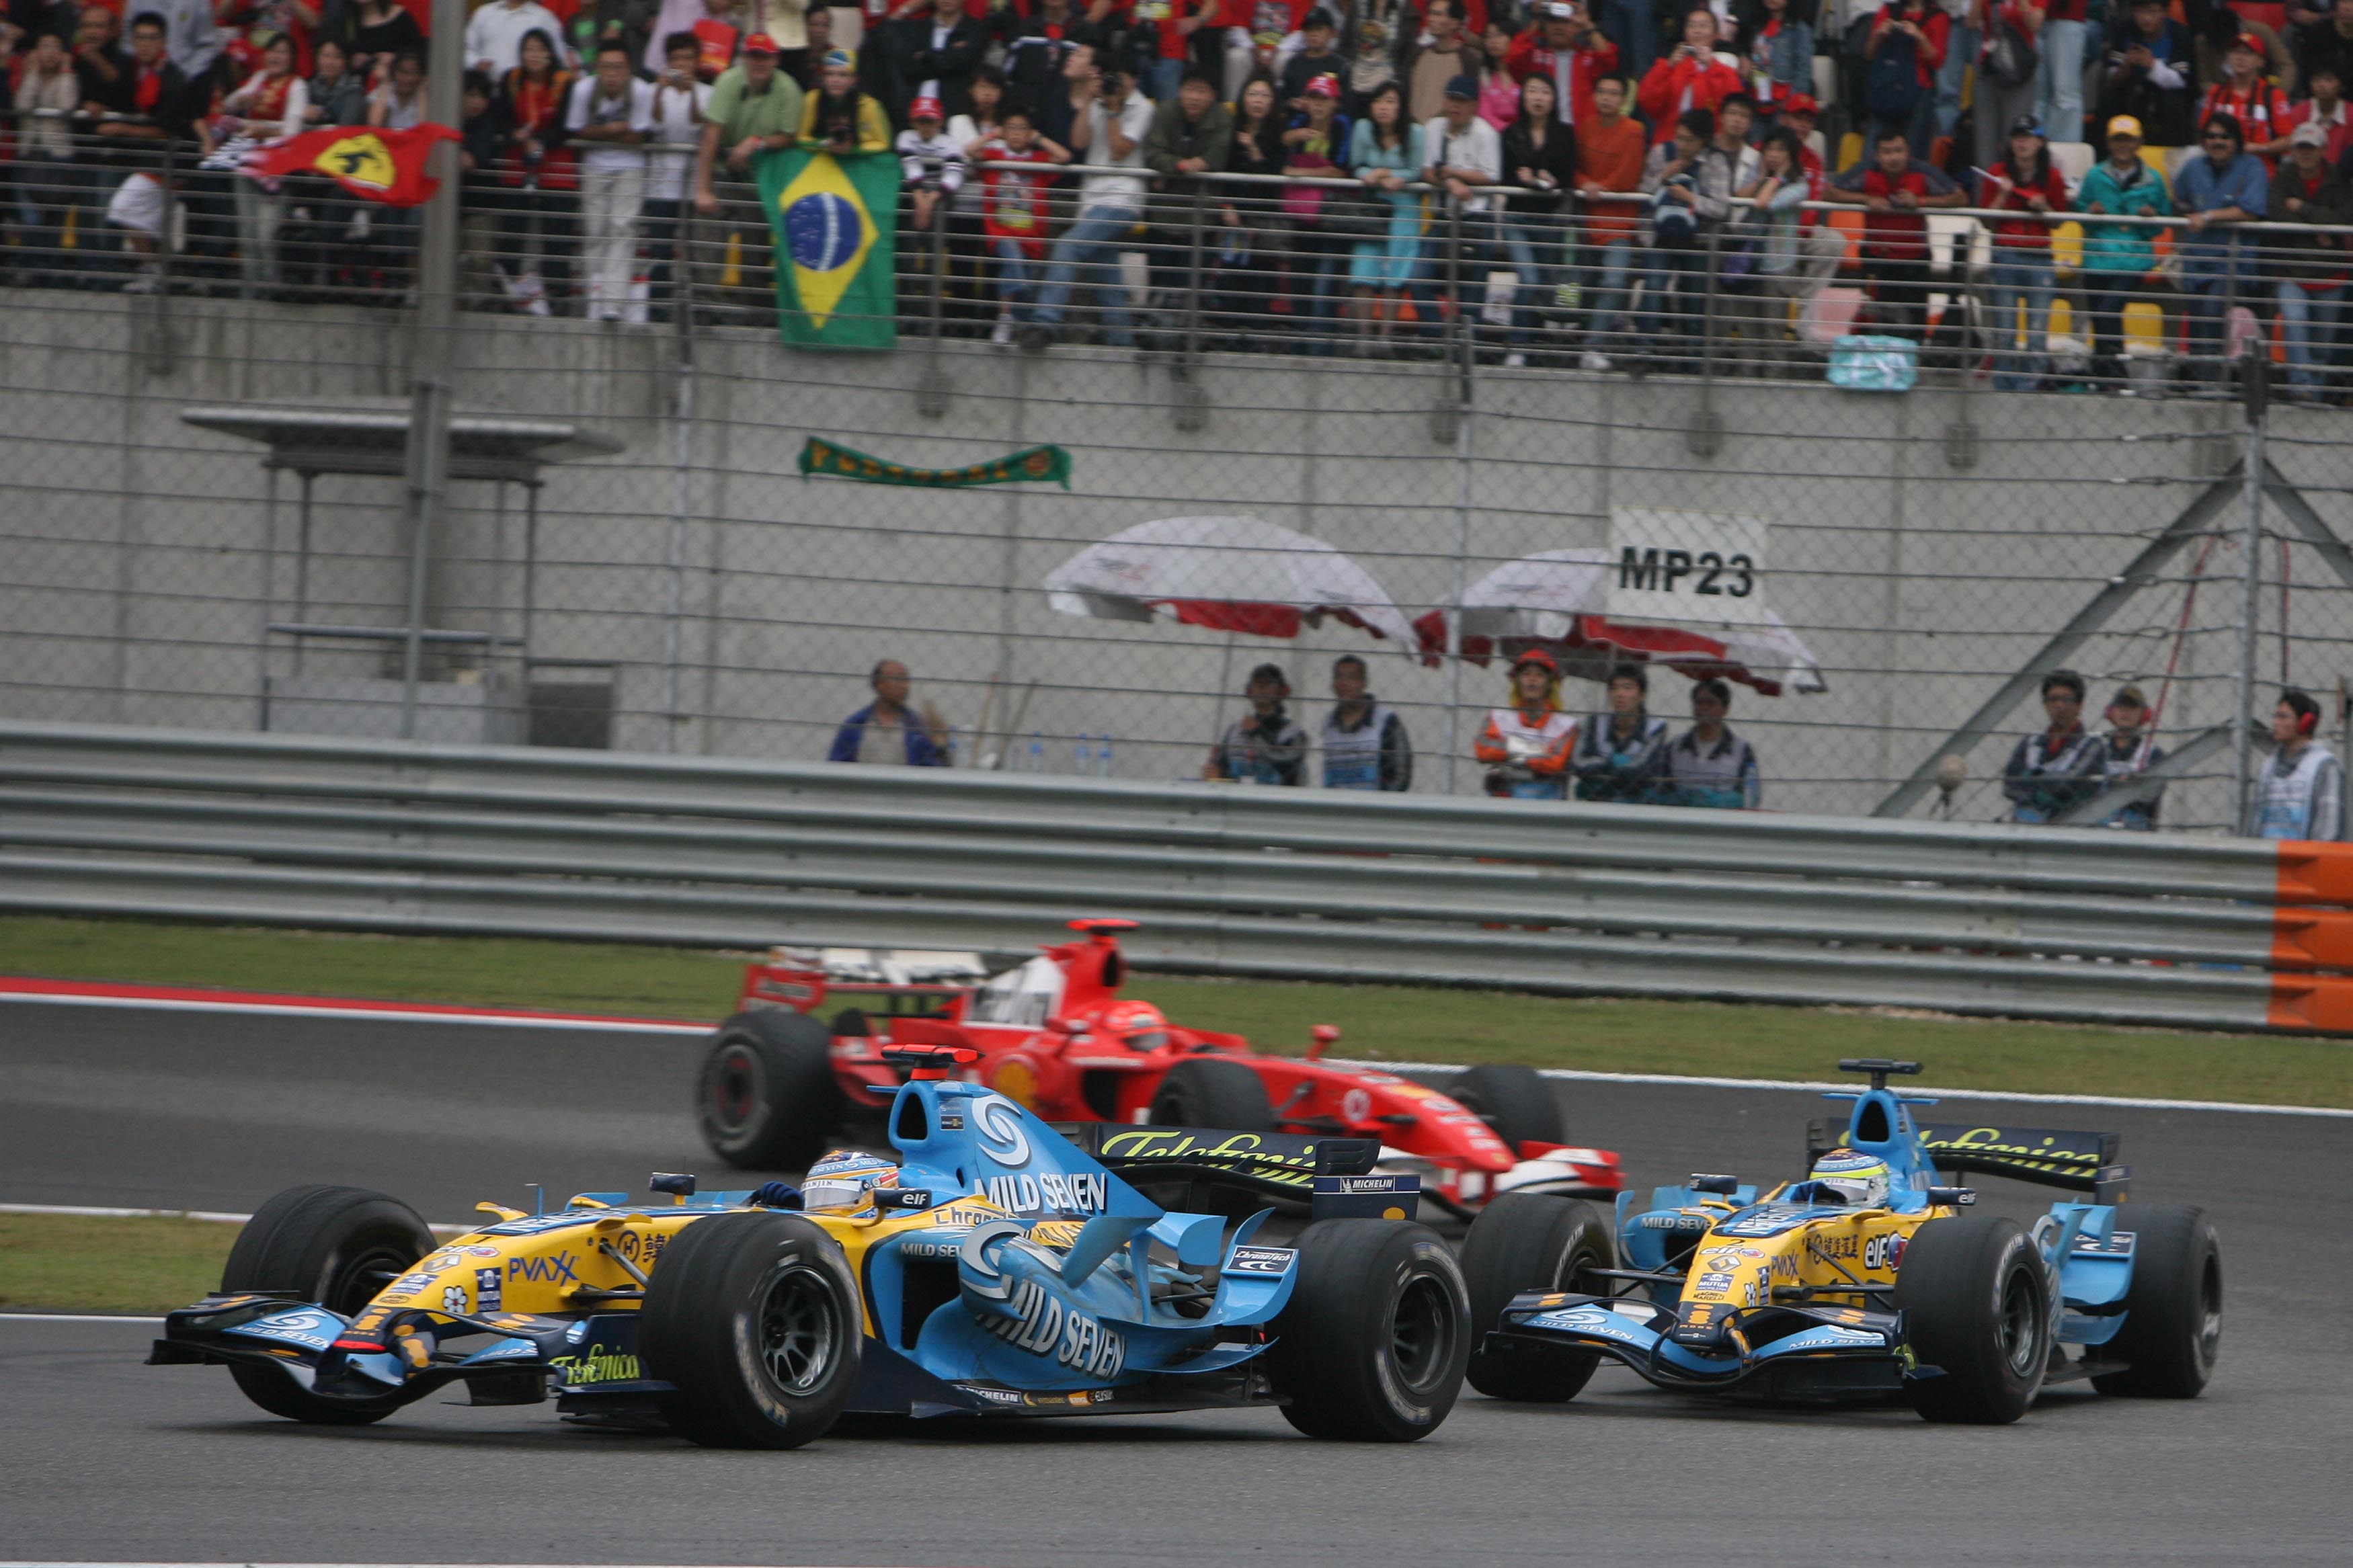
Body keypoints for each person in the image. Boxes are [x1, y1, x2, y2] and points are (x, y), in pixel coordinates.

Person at [1021, 57, 1154, 349]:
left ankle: (1045, 322)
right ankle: (1122, 342)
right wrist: (1090, 102)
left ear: (1133, 79)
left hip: (1122, 198)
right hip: (1092, 201)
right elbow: (1078, 142)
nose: (1114, 85)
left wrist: (1114, 110)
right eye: (1110, 78)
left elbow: (1119, 150)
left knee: (1068, 246)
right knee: (1105, 276)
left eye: (1120, 79)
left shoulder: (1142, 107)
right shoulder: (1099, 103)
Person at [692, 33, 801, 319]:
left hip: (761, 177)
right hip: (723, 169)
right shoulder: (728, 82)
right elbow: (711, 135)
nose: (760, 63)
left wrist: (757, 142)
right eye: (754, 56)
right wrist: (703, 189)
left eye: (765, 57)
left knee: (756, 245)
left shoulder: (788, 89)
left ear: (776, 60)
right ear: (743, 58)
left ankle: (755, 311)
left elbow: (789, 137)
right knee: (708, 226)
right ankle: (706, 302)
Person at [1823, 125, 1964, 341]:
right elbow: (1829, 191)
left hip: (1915, 260)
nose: (1893, 158)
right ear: (1877, 155)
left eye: (1898, 151)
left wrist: (1921, 202)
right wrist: (1865, 199)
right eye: (1887, 152)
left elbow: (1960, 198)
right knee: (1879, 321)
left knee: (1916, 324)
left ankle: (1912, 368)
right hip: (1878, 259)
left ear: (1908, 152)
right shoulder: (1866, 171)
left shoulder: (1923, 172)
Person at [2077, 114, 2173, 388]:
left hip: (2133, 258)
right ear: (2109, 143)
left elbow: (2163, 221)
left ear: (2138, 143)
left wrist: (2150, 218)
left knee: (2108, 310)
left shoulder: (2153, 180)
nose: (2123, 146)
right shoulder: (2095, 175)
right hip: (2097, 257)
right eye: (2118, 140)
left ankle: (2116, 375)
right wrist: (2089, 211)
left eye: (2128, 140)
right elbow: (2081, 207)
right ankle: (2103, 374)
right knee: (2100, 317)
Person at [2174, 112, 2269, 386]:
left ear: (2236, 140)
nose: (2217, 142)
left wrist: (2209, 216)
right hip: (2196, 261)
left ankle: (2214, 386)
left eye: (2225, 137)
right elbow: (2179, 200)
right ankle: (2200, 384)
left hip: (2232, 262)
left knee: (2214, 315)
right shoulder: (2193, 167)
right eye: (2211, 136)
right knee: (2195, 322)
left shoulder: (2252, 167)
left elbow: (2252, 211)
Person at [1978, 115, 2069, 390]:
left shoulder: (2052, 175)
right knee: (2005, 332)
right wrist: (2001, 196)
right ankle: (2004, 389)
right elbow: (1985, 221)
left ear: (2040, 142)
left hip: (2039, 257)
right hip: (2005, 254)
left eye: (2028, 137)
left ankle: (2030, 391)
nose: (2022, 143)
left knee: (2037, 333)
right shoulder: (1996, 171)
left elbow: (2059, 221)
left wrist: (2044, 208)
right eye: (2017, 137)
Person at [1635, 108, 1731, 367]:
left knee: (1694, 299)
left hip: (1697, 242)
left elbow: (1721, 207)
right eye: (1679, 137)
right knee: (1653, 289)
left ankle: (1694, 360)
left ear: (1704, 140)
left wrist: (1691, 199)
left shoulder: (1716, 161)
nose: (1682, 145)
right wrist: (1663, 176)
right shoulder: (1660, 153)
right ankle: (1645, 351)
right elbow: (1643, 194)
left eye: (1689, 140)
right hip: (1661, 238)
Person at [567, 40, 653, 323]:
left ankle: (613, 300)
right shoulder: (583, 90)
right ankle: (595, 293)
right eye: (606, 67)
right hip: (594, 165)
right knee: (594, 229)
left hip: (631, 165)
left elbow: (638, 135)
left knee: (622, 228)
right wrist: (615, 128)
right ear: (597, 68)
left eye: (618, 68)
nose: (612, 74)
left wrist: (599, 133)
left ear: (628, 69)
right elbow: (576, 131)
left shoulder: (641, 90)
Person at [1739, 124, 1839, 364]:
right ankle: (1747, 380)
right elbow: (1740, 195)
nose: (1773, 155)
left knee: (1774, 333)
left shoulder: (1799, 186)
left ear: (1790, 156)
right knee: (1748, 334)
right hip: (1749, 265)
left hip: (1778, 268)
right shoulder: (1758, 178)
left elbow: (1765, 204)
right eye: (1769, 149)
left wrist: (1778, 177)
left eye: (1780, 150)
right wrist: (1765, 178)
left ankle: (1775, 381)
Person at [2269, 118, 2353, 402]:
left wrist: (2303, 208)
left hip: (2331, 274)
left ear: (2323, 150)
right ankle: (2303, 389)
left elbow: (2343, 219)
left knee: (2323, 344)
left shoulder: (2339, 181)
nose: (2305, 153)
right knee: (2294, 323)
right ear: (2293, 150)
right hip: (2292, 269)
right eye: (2300, 147)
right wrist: (2318, 227)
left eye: (2311, 148)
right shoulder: (2283, 177)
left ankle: (2315, 395)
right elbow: (2277, 213)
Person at [493, 31, 577, 315]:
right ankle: (508, 299)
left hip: (556, 168)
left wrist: (541, 141)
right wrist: (514, 134)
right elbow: (501, 117)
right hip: (518, 165)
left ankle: (557, 299)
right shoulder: (511, 79)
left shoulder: (563, 82)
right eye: (529, 49)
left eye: (540, 49)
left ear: (550, 53)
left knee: (557, 236)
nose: (534, 55)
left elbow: (567, 125)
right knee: (511, 235)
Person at [1498, 73, 1577, 366]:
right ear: (1523, 96)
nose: (1538, 98)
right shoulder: (1510, 133)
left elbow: (1568, 176)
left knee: (1545, 283)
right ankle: (1518, 346)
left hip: (1551, 218)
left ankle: (1537, 343)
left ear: (1554, 98)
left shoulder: (1565, 134)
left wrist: (1548, 179)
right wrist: (1524, 179)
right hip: (1517, 217)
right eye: (1532, 91)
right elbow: (1503, 176)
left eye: (1545, 92)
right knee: (1529, 279)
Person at [224, 32, 309, 296]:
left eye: (283, 52)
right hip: (248, 164)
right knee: (247, 235)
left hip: (277, 171)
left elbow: (292, 131)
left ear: (292, 59)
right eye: (273, 51)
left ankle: (273, 291)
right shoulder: (259, 79)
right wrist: (240, 101)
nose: (276, 57)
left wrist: (262, 129)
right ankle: (251, 294)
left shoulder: (297, 86)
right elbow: (228, 105)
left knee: (267, 236)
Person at [1141, 65, 1232, 309]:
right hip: (1164, 217)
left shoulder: (1222, 117)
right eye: (1190, 90)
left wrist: (1170, 172)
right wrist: (1182, 166)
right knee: (1159, 288)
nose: (1194, 97)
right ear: (1180, 91)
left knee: (1192, 293)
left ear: (1212, 95)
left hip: (1201, 220)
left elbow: (1216, 158)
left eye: (1201, 91)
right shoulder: (1166, 111)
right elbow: (1153, 154)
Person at [977, 104, 1069, 342]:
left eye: (1023, 129)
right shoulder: (995, 156)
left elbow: (1064, 157)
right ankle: (1005, 319)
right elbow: (969, 151)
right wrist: (992, 135)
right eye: (1012, 128)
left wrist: (1039, 138)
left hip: (1032, 237)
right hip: (1001, 231)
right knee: (1014, 263)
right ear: (1003, 131)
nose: (1017, 133)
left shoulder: (1038, 159)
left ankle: (1015, 326)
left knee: (1025, 286)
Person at [1345, 77, 1423, 349]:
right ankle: (1363, 339)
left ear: (1401, 107)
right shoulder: (1363, 128)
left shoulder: (1415, 133)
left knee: (1395, 276)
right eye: (1379, 101)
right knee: (1363, 272)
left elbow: (1416, 171)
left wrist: (1391, 174)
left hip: (1403, 210)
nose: (1383, 107)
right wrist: (1371, 175)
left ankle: (1385, 339)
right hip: (1371, 210)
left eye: (1390, 102)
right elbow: (1356, 165)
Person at [1574, 71, 1644, 369]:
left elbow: (1628, 176)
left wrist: (1598, 187)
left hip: (1619, 224)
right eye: (1602, 91)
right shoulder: (1586, 126)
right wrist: (1585, 183)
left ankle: (1593, 346)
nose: (1607, 98)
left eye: (1614, 93)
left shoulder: (1634, 130)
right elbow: (1574, 166)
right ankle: (1576, 338)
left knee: (1615, 283)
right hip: (1586, 221)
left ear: (1624, 100)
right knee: (1583, 285)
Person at [642, 32, 711, 323]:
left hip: (693, 183)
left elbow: (699, 124)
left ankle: (696, 306)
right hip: (661, 183)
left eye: (687, 58)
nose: (682, 64)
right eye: (676, 59)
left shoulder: (708, 92)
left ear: (697, 62)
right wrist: (658, 92)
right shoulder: (654, 91)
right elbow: (653, 124)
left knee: (696, 250)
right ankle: (658, 307)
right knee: (660, 247)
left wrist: (693, 92)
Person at [1281, 71, 1353, 343]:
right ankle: (1302, 341)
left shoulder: (1341, 124)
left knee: (1326, 285)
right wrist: (1294, 137)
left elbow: (1340, 169)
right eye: (1313, 98)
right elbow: (1284, 159)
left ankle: (1321, 347)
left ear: (1335, 101)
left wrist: (1302, 174)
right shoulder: (1299, 123)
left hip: (1332, 218)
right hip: (1303, 220)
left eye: (1324, 99)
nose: (1319, 105)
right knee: (1300, 280)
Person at [13, 30, 83, 285]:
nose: (50, 53)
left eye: (56, 47)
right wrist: (32, 73)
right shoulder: (28, 77)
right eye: (45, 46)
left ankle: (50, 273)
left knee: (55, 219)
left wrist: (65, 72)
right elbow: (21, 105)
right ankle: (26, 268)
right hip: (29, 155)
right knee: (31, 218)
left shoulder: (69, 78)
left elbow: (66, 106)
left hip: (58, 157)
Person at [2001, 668, 2104, 822]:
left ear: (2079, 705)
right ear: (2045, 703)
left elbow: (2068, 786)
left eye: (2066, 699)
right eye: (2053, 699)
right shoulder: (2030, 742)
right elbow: (2009, 785)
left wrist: (2031, 778)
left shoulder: (2092, 745)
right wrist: (2047, 787)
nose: (2059, 705)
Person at [1474, 649, 1578, 799]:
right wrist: (1539, 751)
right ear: (1517, 681)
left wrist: (1507, 751)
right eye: (1526, 674)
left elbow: (1555, 762)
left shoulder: (1566, 725)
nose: (1532, 680)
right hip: (1505, 794)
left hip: (1547, 796)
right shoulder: (1499, 717)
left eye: (1539, 675)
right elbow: (1483, 749)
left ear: (1550, 683)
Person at [2245, 687, 2346, 839]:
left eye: (2283, 717)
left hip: (2305, 861)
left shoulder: (2325, 766)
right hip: (2267, 859)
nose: (2275, 722)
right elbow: (2254, 824)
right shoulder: (2268, 767)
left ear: (2305, 723)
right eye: (2275, 716)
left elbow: (2328, 831)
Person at [1504, 1, 1618, 129]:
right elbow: (1512, 59)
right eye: (1553, 22)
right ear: (1545, 26)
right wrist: (1538, 20)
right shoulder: (1534, 57)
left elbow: (1610, 62)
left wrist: (1588, 25)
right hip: (1543, 133)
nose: (1558, 27)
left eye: (1565, 22)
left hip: (1581, 134)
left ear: (1576, 27)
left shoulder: (1587, 59)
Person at [2098, 0, 2194, 150]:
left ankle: (2175, 156)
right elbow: (2112, 77)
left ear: (2164, 12)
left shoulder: (2179, 33)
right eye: (2140, 12)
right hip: (2131, 89)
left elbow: (2181, 81)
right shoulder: (2124, 29)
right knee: (2110, 100)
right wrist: (2126, 66)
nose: (2146, 18)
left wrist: (2152, 66)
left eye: (2152, 12)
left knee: (2173, 105)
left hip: (2167, 94)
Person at [1571, 661, 1671, 802]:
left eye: (1627, 688)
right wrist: (1614, 763)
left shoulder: (1656, 727)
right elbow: (1578, 764)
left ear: (1643, 695)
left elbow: (1642, 769)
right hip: (1597, 805)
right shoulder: (1594, 723)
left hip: (1638, 807)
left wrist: (1601, 772)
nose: (1619, 694)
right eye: (1614, 688)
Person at [1639, 8, 1741, 144]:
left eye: (1703, 26)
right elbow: (1646, 101)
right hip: (1669, 141)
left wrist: (1712, 68)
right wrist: (1668, 66)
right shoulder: (1670, 66)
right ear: (1685, 32)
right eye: (1692, 25)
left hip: (1708, 146)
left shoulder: (1724, 70)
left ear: (1715, 34)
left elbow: (1732, 107)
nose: (1697, 31)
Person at [1863, 0, 1948, 157]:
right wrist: (1879, 35)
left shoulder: (1938, 16)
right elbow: (1869, 54)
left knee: (1914, 155)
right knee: (1872, 155)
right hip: (1886, 90)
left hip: (1918, 91)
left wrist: (1919, 36)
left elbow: (1937, 61)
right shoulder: (1888, 11)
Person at [829, 659, 951, 766]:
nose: (905, 686)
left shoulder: (916, 727)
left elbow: (933, 768)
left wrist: (941, 747)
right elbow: (837, 766)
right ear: (879, 685)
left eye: (906, 680)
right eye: (898, 679)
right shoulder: (856, 725)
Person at [1203, 662, 1309, 784]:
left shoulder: (1293, 732)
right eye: (1258, 683)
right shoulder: (1235, 730)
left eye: (1268, 683)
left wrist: (1257, 734)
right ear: (1249, 690)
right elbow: (1222, 766)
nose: (1262, 688)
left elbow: (1290, 771)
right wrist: (1216, 772)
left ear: (1281, 691)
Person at [1661, 677, 1761, 807]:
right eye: (1700, 703)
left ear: (1725, 710)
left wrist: (1725, 802)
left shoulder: (1742, 750)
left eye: (1711, 703)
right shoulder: (1676, 747)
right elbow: (1663, 792)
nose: (1704, 708)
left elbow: (1750, 797)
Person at [881, 0, 985, 123]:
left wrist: (925, 54)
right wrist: (949, 53)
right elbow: (908, 65)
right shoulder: (916, 27)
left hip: (955, 111)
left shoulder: (975, 29)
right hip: (914, 111)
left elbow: (962, 62)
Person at [1970, 0, 2041, 177]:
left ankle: (2013, 196)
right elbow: (1971, 23)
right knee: (1985, 146)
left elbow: (2035, 25)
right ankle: (1985, 199)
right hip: (1989, 71)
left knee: (2015, 143)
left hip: (2018, 73)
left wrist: (2022, 4)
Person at [1320, 654, 1413, 790]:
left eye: (1351, 678)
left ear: (1364, 683)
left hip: (1374, 807)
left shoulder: (1386, 720)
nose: (1344, 683)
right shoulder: (1328, 723)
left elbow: (1401, 772)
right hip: (1335, 806)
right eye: (1338, 677)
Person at [2199, 34, 2292, 162]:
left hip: (2261, 167)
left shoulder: (2273, 95)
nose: (2240, 58)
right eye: (2235, 52)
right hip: (2222, 166)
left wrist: (2260, 148)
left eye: (2248, 53)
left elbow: (2288, 140)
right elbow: (2203, 133)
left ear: (2261, 62)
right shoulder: (2216, 93)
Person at [2086, 684, 2167, 829]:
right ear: (2111, 712)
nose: (2125, 711)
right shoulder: (2097, 748)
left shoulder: (2153, 754)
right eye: (2121, 706)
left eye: (2133, 707)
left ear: (2144, 715)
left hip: (2136, 826)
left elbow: (2149, 796)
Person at [797, 46, 891, 151]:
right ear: (822, 78)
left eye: (843, 75)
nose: (835, 80)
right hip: (821, 157)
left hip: (859, 160)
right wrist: (824, 144)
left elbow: (884, 143)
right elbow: (799, 137)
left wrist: (853, 149)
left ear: (854, 80)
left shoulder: (869, 106)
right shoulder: (812, 99)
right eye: (829, 74)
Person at [1741, 0, 1812, 129]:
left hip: (1784, 102)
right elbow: (1746, 53)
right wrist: (1745, 59)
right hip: (1756, 100)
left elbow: (1804, 71)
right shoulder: (1754, 26)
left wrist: (1791, 103)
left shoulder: (1800, 29)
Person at [1410, 0, 1476, 126]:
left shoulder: (1467, 59)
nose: (1431, 19)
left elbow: (1471, 102)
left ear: (1454, 23)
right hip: (1414, 130)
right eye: (1430, 14)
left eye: (1438, 15)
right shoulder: (1418, 53)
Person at [468, 0, 574, 77]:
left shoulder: (544, 18)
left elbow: (559, 57)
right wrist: (476, 63)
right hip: (485, 93)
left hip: (526, 95)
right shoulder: (484, 13)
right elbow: (465, 48)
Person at [2290, 65, 2352, 164]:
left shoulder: (2351, 114)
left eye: (2328, 80)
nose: (2321, 85)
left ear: (2341, 84)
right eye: (2316, 80)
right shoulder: (2299, 112)